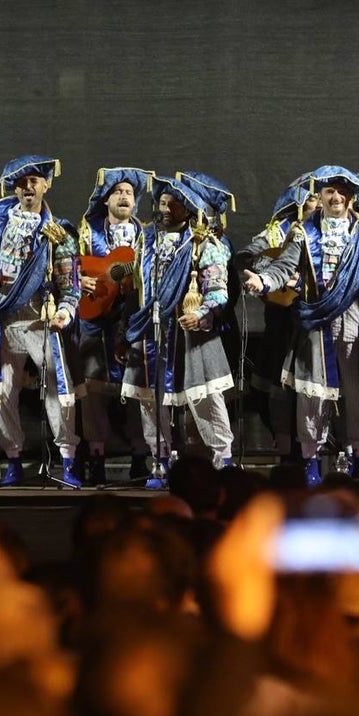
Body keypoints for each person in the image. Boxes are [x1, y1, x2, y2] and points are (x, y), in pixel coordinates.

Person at [241, 166, 359, 486]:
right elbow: (284, 267)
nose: (336, 197)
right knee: (313, 396)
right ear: (322, 196)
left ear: (351, 198)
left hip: (358, 321)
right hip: (318, 323)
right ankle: (311, 464)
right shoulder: (303, 233)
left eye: (342, 192)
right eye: (330, 191)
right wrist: (263, 281)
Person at [0, 155, 83, 487]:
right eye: (21, 183)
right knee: (1, 391)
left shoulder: (58, 231)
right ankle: (13, 461)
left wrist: (65, 311)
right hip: (4, 318)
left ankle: (67, 461)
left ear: (46, 185)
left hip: (41, 318)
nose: (27, 188)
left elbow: (70, 283)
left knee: (57, 390)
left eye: (34, 181)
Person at [121, 174, 234, 487]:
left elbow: (218, 290)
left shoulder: (203, 243)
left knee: (205, 397)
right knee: (148, 400)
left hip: (190, 332)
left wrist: (200, 313)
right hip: (151, 330)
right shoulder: (146, 240)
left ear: (189, 209)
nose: (167, 207)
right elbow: (137, 289)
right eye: (162, 201)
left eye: (174, 203)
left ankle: (222, 461)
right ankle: (160, 462)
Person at [77, 167, 155, 485]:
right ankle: (96, 456)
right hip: (95, 320)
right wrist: (76, 279)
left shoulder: (147, 235)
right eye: (118, 192)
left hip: (132, 321)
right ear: (107, 199)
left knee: (137, 388)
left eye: (129, 193)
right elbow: (69, 267)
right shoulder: (86, 232)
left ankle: (140, 455)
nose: (124, 197)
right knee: (93, 391)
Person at [235, 174, 319, 461]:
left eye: (318, 198)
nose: (317, 203)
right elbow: (245, 256)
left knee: (305, 389)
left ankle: (308, 451)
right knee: (266, 387)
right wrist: (266, 267)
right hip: (279, 319)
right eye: (310, 198)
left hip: (309, 321)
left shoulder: (323, 234)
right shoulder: (273, 232)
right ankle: (284, 446)